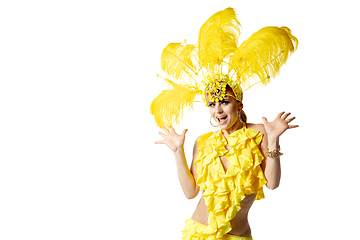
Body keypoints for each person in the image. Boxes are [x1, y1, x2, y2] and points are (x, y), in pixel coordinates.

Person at [151, 7, 298, 240]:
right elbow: (191, 193)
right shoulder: (204, 142)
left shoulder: (259, 133)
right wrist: (178, 151)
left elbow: (272, 184)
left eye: (224, 102)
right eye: (212, 104)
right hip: (198, 233)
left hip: (237, 236)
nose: (218, 109)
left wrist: (274, 139)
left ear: (238, 105)